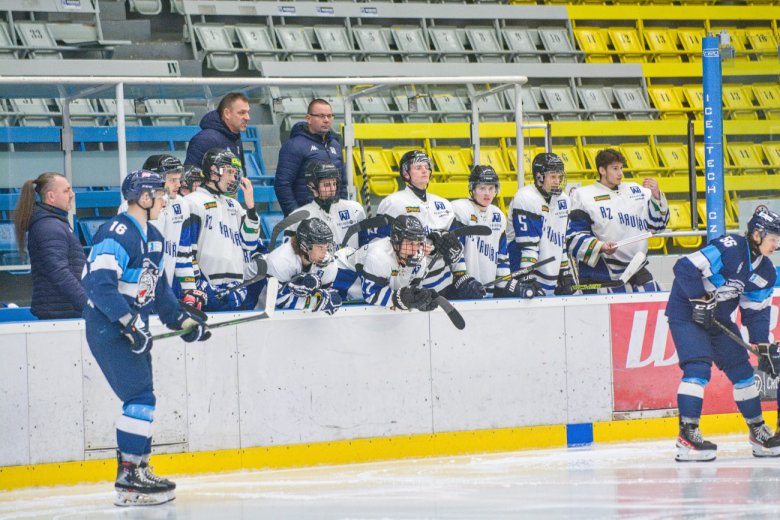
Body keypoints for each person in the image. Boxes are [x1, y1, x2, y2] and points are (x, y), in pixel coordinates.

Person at [82, 169, 210, 506]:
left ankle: (138, 468)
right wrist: (128, 323)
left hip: (131, 328)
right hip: (108, 326)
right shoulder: (116, 232)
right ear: (143, 197)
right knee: (139, 397)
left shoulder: (153, 235)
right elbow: (98, 285)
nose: (165, 199)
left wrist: (183, 321)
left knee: (144, 398)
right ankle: (128, 476)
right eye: (160, 194)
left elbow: (159, 291)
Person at [666, 207, 780, 461]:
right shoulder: (730, 247)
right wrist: (699, 297)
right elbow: (684, 267)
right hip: (687, 312)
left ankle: (757, 430)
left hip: (718, 319)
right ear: (757, 235)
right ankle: (687, 435)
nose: (776, 245)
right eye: (773, 239)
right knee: (697, 369)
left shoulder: (766, 272)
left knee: (743, 372)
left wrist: (762, 344)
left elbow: (756, 311)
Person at [376, 150, 484, 300]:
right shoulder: (392, 203)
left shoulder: (444, 204)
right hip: (410, 286)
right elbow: (381, 247)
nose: (424, 170)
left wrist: (461, 276)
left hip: (444, 284)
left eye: (426, 166)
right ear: (406, 173)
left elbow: (455, 246)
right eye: (418, 167)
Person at [567, 148, 669, 292]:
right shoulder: (583, 196)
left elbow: (658, 226)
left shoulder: (637, 191)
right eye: (615, 168)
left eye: (621, 168)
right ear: (602, 170)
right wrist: (600, 246)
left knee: (654, 292)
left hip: (636, 268)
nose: (620, 173)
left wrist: (657, 197)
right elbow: (573, 237)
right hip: (601, 272)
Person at [185, 148, 260, 311]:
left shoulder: (234, 205)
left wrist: (251, 207)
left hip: (235, 289)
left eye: (235, 173)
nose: (233, 178)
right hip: (207, 289)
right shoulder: (193, 203)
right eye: (229, 172)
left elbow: (250, 243)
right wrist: (198, 283)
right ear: (213, 171)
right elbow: (187, 251)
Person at [13, 172, 87, 319]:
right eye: (66, 190)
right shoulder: (49, 227)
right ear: (51, 197)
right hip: (60, 315)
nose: (72, 194)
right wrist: (88, 304)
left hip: (63, 311)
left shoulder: (54, 223)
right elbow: (59, 272)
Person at [141, 155, 204, 310]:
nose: (179, 184)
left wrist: (189, 290)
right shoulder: (134, 207)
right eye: (172, 180)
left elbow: (183, 253)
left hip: (164, 294)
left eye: (178, 179)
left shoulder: (181, 205)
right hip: (138, 296)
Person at [451, 165, 523, 299]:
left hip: (489, 293)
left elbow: (502, 256)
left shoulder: (498, 215)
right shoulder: (460, 210)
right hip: (463, 292)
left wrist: (506, 285)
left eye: (491, 188)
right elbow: (455, 252)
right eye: (482, 188)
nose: (487, 193)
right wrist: (463, 280)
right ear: (472, 188)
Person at [508, 153, 573, 296]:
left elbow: (560, 242)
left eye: (559, 177)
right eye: (553, 176)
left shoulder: (564, 200)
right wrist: (526, 278)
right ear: (539, 176)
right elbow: (528, 246)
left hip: (550, 280)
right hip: (521, 276)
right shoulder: (525, 198)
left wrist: (565, 272)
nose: (557, 181)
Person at [352, 214, 440, 312]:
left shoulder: (419, 259)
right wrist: (402, 299)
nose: (415, 249)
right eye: (410, 243)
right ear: (396, 240)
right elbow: (371, 295)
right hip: (346, 276)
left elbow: (408, 291)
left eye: (418, 243)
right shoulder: (379, 257)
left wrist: (420, 300)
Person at [274, 99, 346, 216]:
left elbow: (342, 184)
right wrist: (297, 218)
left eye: (329, 116)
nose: (326, 120)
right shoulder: (294, 145)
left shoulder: (336, 146)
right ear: (308, 118)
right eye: (321, 116)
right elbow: (282, 185)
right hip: (306, 217)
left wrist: (341, 213)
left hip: (334, 217)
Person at [264, 217, 342, 315]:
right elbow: (278, 300)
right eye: (320, 247)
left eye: (327, 246)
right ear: (304, 246)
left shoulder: (329, 264)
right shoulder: (279, 261)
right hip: (258, 305)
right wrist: (316, 302)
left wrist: (323, 295)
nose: (325, 252)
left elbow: (327, 293)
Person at [285, 159, 367, 249]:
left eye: (334, 184)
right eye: (327, 185)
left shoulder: (354, 209)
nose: (332, 189)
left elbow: (366, 246)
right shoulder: (297, 219)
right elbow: (289, 254)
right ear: (312, 187)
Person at [184, 92, 250, 169]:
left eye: (248, 112)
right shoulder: (205, 140)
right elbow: (190, 174)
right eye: (242, 113)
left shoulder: (235, 137)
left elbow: (240, 172)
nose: (248, 117)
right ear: (227, 114)